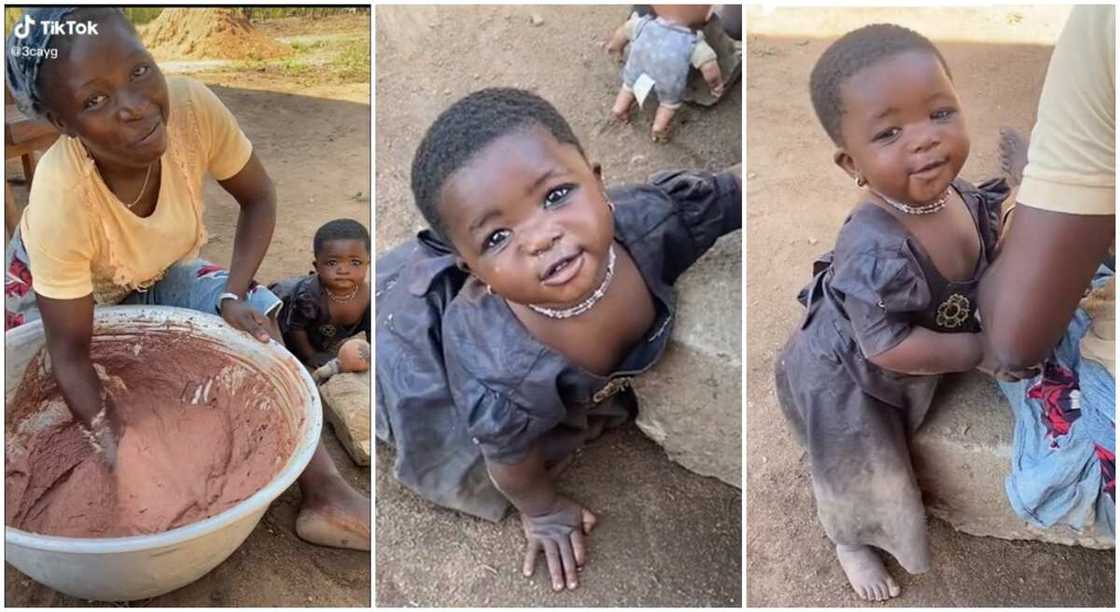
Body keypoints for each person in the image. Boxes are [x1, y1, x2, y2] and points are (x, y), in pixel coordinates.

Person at [3, 7, 368, 550]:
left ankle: (326, 494)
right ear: (61, 124)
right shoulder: (61, 196)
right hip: (60, 299)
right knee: (44, 393)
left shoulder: (193, 108)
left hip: (150, 273)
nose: (134, 106)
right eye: (94, 100)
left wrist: (230, 293)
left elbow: (258, 197)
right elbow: (70, 355)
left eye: (139, 70)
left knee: (261, 318)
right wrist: (124, 455)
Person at [376, 88, 740, 591]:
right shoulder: (498, 368)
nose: (541, 237)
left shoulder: (653, 220)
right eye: (497, 238)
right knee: (440, 429)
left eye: (555, 196)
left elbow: (729, 196)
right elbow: (508, 459)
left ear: (596, 180)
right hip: (431, 352)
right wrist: (542, 510)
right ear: (473, 270)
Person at [773, 24, 1014, 600]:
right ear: (850, 162)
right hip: (853, 379)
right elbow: (884, 345)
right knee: (863, 468)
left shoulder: (952, 194)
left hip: (904, 344)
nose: (925, 140)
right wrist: (978, 351)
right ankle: (851, 538)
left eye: (939, 113)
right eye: (888, 132)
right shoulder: (877, 245)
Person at [978, 5, 1115, 538]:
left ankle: (1043, 192)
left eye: (941, 114)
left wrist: (1018, 210)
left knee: (1018, 312)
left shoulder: (1104, 19)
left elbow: (1014, 347)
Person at [606, 5, 724, 142]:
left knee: (629, 86)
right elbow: (710, 68)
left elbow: (622, 32)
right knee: (667, 105)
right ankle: (659, 128)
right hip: (667, 82)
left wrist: (615, 48)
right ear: (708, 15)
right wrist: (715, 85)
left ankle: (619, 109)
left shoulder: (642, 24)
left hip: (638, 68)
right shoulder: (693, 42)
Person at [269, 218, 371, 368]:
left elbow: (372, 331)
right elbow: (295, 328)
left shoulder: (368, 297)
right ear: (317, 266)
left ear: (367, 264)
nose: (343, 270)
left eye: (355, 263)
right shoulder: (308, 296)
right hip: (286, 328)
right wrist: (311, 355)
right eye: (332, 263)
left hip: (322, 338)